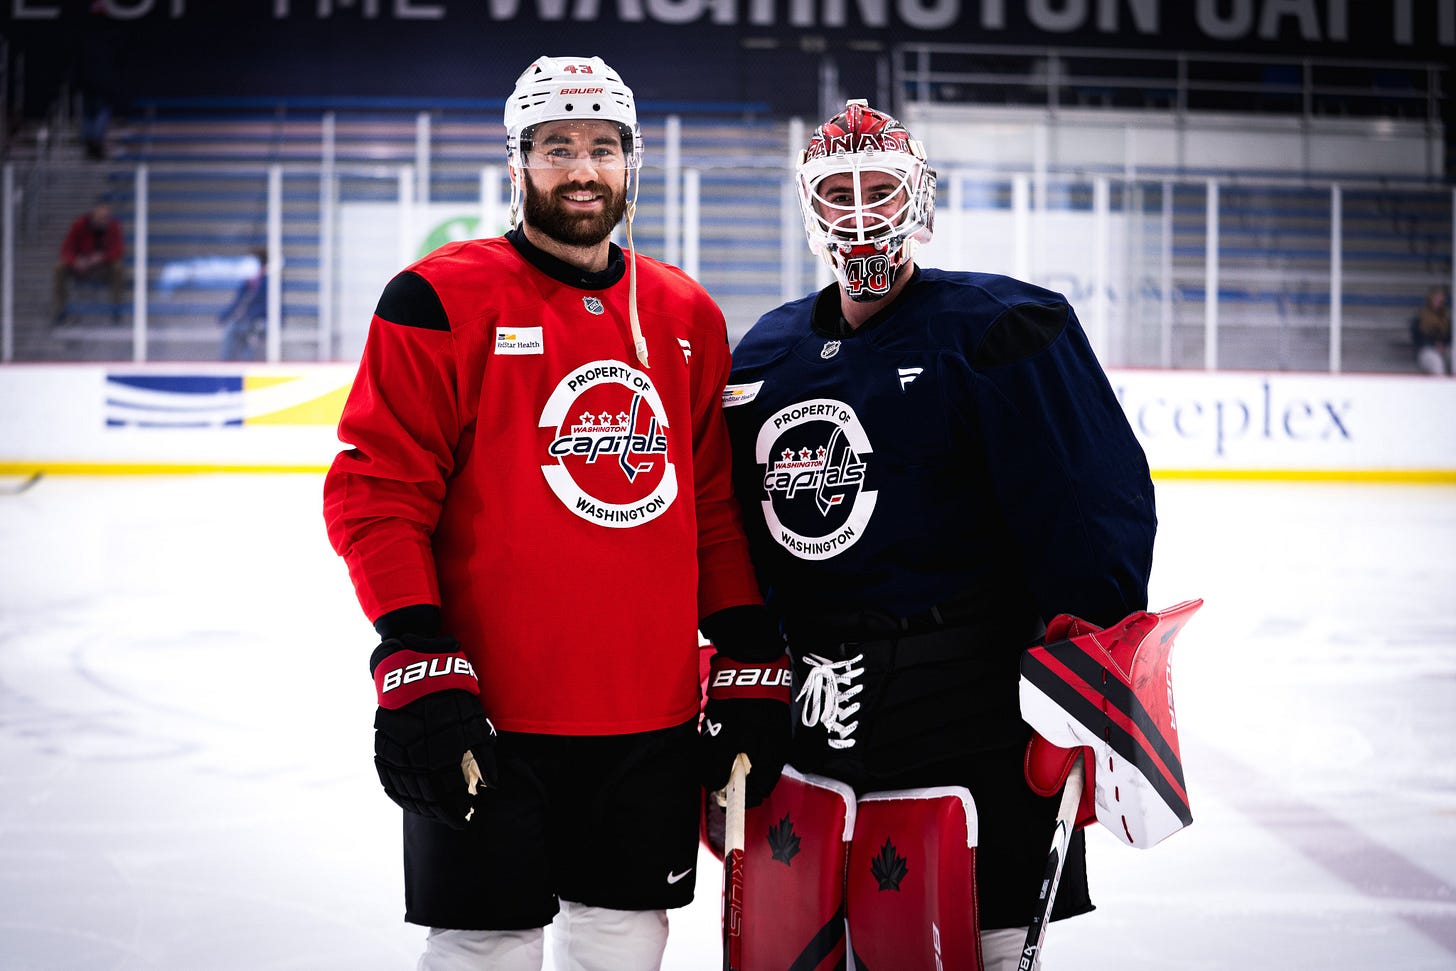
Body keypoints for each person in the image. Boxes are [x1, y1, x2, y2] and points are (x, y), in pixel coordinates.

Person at [322, 56, 789, 971]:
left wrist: (745, 649)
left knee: (625, 937)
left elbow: (711, 503)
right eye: (557, 147)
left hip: (650, 714)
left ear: (631, 161)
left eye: (603, 147)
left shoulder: (686, 313)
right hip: (489, 709)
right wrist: (414, 651)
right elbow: (377, 489)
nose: (583, 168)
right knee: (484, 945)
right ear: (518, 162)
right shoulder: (438, 298)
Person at [719, 100, 1157, 970]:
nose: (858, 212)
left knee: (974, 939)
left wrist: (1081, 681)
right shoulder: (765, 354)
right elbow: (736, 531)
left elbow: (1091, 506)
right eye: (836, 192)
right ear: (808, 207)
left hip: (974, 712)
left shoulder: (999, 328)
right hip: (814, 720)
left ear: (918, 198)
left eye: (879, 188)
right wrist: (739, 664)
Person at [52, 200, 126, 325]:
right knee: (59, 268)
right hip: (81, 265)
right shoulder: (79, 225)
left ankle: (116, 309)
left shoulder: (113, 226)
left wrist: (102, 257)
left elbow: (119, 250)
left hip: (103, 267)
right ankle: (60, 309)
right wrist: (75, 261)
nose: (104, 220)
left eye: (106, 216)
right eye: (101, 216)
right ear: (94, 213)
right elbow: (66, 249)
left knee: (118, 268)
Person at [217, 248, 269, 361]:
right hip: (248, 322)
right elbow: (236, 302)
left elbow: (267, 308)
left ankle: (245, 363)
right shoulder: (248, 283)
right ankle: (226, 363)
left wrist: (249, 317)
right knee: (232, 328)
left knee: (250, 334)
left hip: (262, 322)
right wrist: (224, 316)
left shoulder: (269, 282)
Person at [1412, 284, 1451, 375]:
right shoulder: (1420, 318)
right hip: (1426, 351)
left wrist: (1443, 345)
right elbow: (1418, 338)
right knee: (1437, 363)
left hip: (1445, 348)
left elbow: (1450, 337)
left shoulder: (1446, 319)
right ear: (1430, 300)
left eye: (1441, 300)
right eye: (1437, 299)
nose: (1439, 303)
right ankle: (1440, 383)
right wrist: (1434, 344)